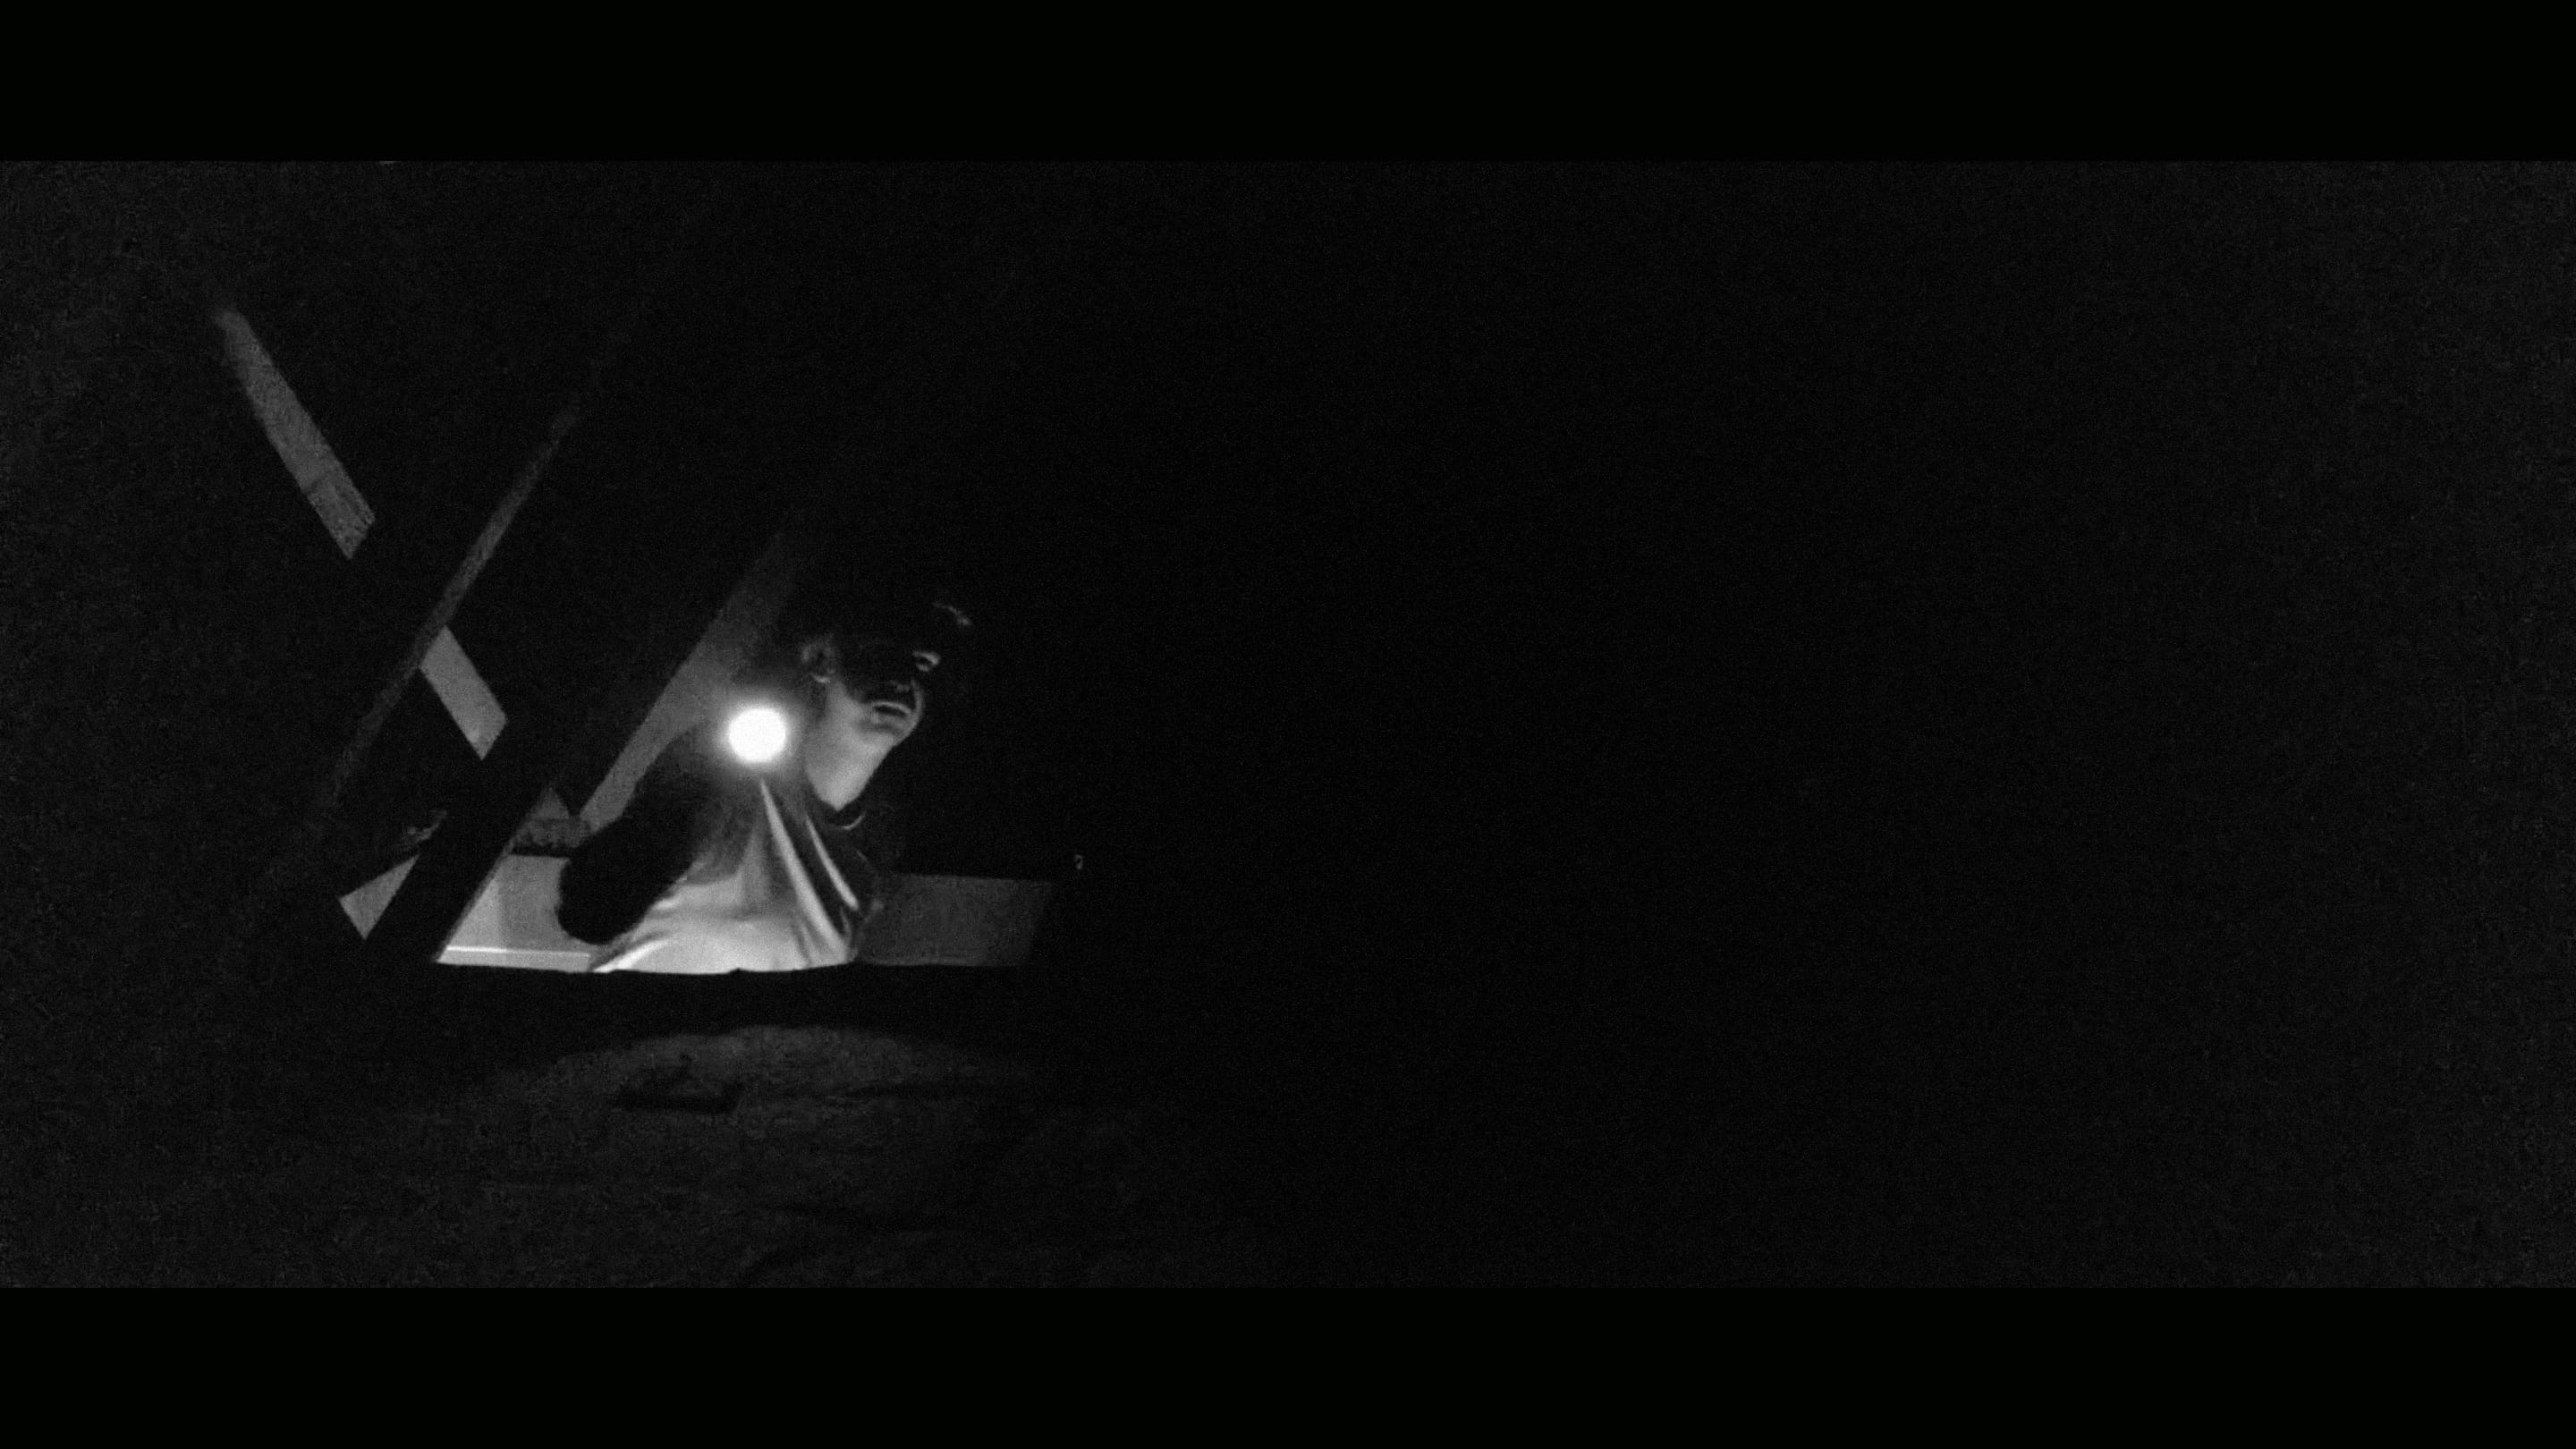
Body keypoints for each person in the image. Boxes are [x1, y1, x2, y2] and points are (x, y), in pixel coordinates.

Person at [555, 588, 972, 973]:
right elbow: (591, 913)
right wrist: (673, 822)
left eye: (921, 664)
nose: (902, 679)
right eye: (881, 653)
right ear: (822, 660)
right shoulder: (725, 767)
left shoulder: (876, 840)